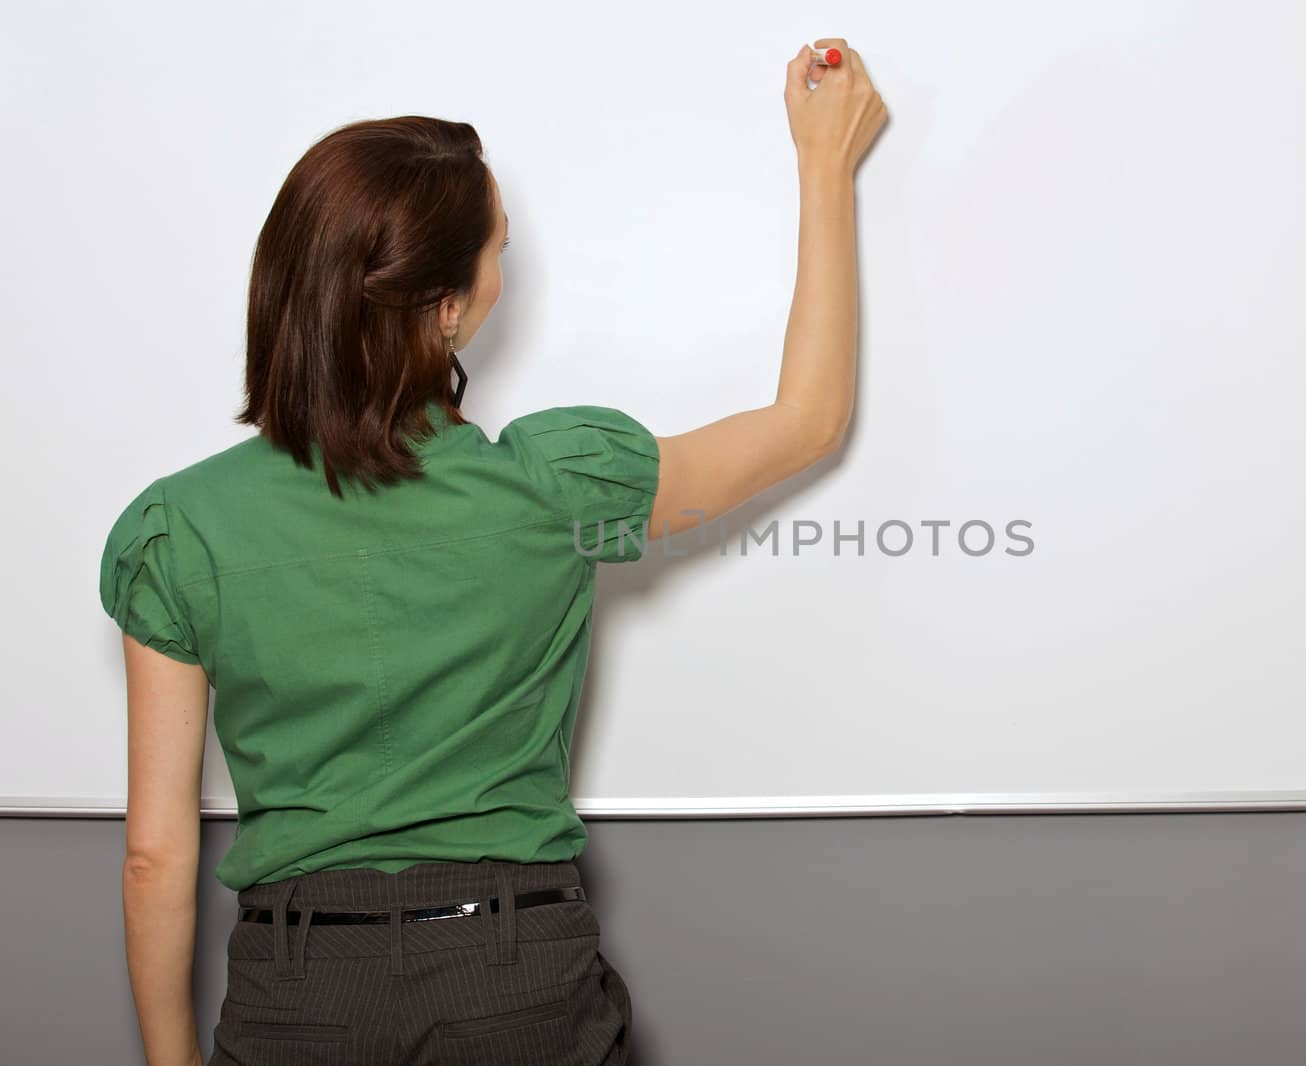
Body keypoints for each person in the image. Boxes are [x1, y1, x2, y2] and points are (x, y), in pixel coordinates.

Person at [97, 38, 887, 1066]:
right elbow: (808, 419)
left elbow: (155, 854)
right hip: (510, 976)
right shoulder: (557, 494)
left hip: (296, 989)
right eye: (498, 249)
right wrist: (824, 163)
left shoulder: (182, 530)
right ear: (446, 307)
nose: (503, 273)